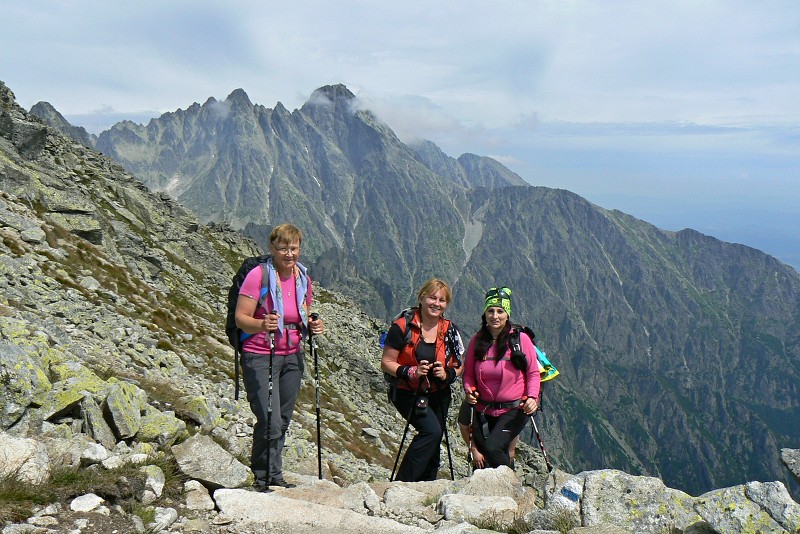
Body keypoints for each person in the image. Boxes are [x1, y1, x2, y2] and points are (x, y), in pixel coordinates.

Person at [235, 223, 325, 491]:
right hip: (260, 355)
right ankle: (261, 476)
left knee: (282, 418)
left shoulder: (302, 279)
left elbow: (301, 313)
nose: (289, 254)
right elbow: (241, 319)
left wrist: (313, 323)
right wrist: (262, 325)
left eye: (294, 248)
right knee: (269, 418)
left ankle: (274, 474)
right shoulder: (258, 276)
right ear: (272, 249)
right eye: (283, 248)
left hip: (291, 356)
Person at [381, 279, 465, 482]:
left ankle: (426, 488)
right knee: (431, 432)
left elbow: (460, 363)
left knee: (434, 445)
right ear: (421, 298)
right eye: (432, 298)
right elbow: (386, 362)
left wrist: (447, 374)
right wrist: (410, 371)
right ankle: (403, 483)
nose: (437, 303)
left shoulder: (450, 330)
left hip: (439, 393)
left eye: (442, 300)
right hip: (407, 392)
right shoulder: (402, 326)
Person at [462, 286, 539, 469]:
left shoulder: (520, 340)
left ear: (507, 314)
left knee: (492, 448)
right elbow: (469, 374)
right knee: (483, 462)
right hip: (484, 409)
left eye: (500, 311)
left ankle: (510, 488)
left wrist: (533, 397)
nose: (495, 316)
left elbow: (533, 373)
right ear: (485, 313)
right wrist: (469, 389)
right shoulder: (477, 340)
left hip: (514, 409)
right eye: (490, 311)